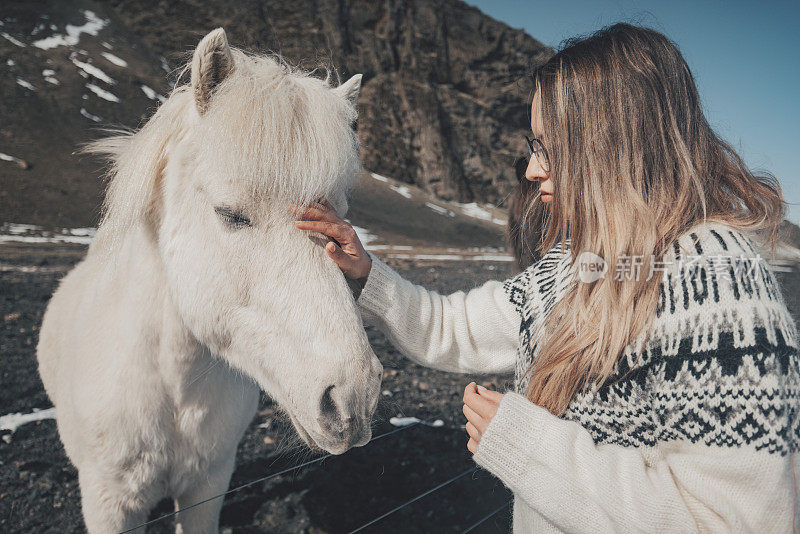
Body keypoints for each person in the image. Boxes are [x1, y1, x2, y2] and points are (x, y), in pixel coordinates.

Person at [294, 22, 799, 533]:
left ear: (616, 145)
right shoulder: (582, 262)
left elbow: (731, 522)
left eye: (549, 147)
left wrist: (528, 446)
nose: (533, 169)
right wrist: (367, 273)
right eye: (533, 146)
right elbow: (451, 327)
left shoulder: (714, 280)